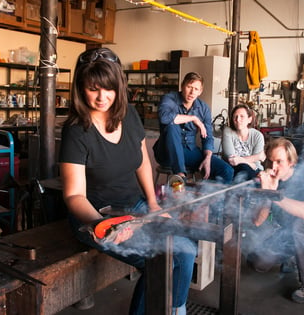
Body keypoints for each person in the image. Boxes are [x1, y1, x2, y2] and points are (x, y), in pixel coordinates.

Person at [58, 47, 196, 315]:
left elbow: (143, 160)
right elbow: (74, 195)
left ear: (119, 86)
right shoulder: (76, 131)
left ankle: (176, 310)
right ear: (80, 88)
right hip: (97, 218)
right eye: (93, 88)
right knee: (159, 260)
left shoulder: (129, 115)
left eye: (108, 89)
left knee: (186, 250)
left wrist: (153, 205)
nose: (101, 97)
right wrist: (104, 226)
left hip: (135, 206)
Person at [246, 137, 304, 303]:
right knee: (257, 261)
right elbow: (257, 221)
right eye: (270, 161)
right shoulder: (271, 178)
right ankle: (293, 255)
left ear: (291, 161)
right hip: (290, 232)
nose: (274, 167)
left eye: (279, 161)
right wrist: (266, 193)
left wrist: (274, 196)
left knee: (300, 226)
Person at [153, 72, 233, 184]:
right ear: (182, 86)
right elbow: (164, 118)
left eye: (196, 89)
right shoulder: (169, 98)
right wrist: (193, 118)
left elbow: (208, 137)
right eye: (189, 87)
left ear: (200, 91)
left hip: (189, 151)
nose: (192, 92)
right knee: (172, 126)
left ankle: (215, 201)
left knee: (226, 170)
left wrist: (208, 157)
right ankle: (180, 175)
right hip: (166, 151)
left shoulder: (203, 108)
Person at [221, 104, 265, 181]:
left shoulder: (258, 136)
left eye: (242, 116)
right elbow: (232, 160)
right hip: (233, 171)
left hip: (255, 171)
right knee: (243, 168)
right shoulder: (227, 132)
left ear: (249, 119)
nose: (238, 119)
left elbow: (256, 166)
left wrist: (240, 160)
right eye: (235, 117)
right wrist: (257, 157)